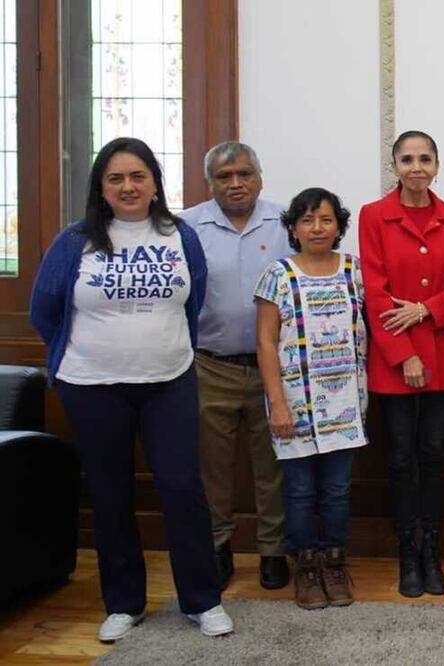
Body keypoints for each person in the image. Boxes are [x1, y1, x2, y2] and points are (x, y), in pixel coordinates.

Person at [29, 137, 233, 641]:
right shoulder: (74, 241)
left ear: (154, 184)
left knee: (183, 487)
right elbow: (44, 310)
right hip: (92, 386)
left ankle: (202, 600)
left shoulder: (180, 236)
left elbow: (194, 299)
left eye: (138, 176)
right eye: (116, 178)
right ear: (101, 187)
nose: (128, 186)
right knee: (110, 493)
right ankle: (123, 602)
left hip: (170, 380)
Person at [358, 130, 444, 598]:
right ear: (395, 166)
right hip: (392, 361)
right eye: (407, 159)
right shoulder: (373, 216)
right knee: (401, 458)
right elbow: (374, 289)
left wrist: (427, 309)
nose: (416, 167)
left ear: (438, 165)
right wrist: (405, 355)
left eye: (425, 158)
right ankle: (408, 550)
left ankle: (432, 550)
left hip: (443, 356)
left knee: (435, 455)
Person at [182, 141, 291, 591]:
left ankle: (273, 551)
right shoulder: (186, 226)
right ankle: (218, 546)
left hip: (275, 369)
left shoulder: (285, 222)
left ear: (259, 177)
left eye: (244, 174)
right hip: (211, 366)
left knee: (274, 466)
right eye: (224, 177)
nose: (235, 183)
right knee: (214, 467)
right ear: (210, 183)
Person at [254, 187, 368, 610]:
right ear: (293, 228)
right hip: (293, 404)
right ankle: (305, 565)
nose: (316, 228)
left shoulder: (356, 271)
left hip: (345, 404)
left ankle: (334, 562)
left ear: (338, 226)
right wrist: (277, 402)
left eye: (325, 219)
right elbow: (266, 343)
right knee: (300, 491)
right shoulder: (277, 275)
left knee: (337, 490)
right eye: (306, 220)